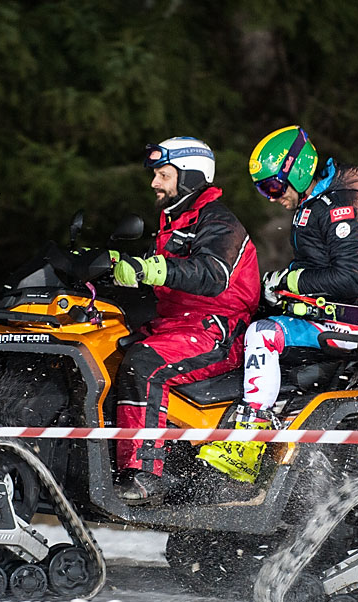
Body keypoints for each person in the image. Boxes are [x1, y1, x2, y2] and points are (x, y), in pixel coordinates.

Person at [197, 126, 358, 484]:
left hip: (350, 323)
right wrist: (280, 287)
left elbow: (352, 278)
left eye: (272, 186)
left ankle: (251, 440)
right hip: (323, 315)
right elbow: (316, 269)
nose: (271, 197)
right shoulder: (318, 205)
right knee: (246, 320)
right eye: (262, 189)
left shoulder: (345, 209)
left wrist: (291, 282)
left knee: (263, 334)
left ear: (296, 171)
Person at [111, 136, 260, 505]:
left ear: (190, 176)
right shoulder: (173, 222)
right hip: (175, 324)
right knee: (109, 349)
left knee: (144, 366)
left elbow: (212, 274)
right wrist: (109, 263)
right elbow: (152, 270)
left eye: (163, 174)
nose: (155, 184)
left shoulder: (220, 222)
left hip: (214, 330)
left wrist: (151, 268)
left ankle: (145, 473)